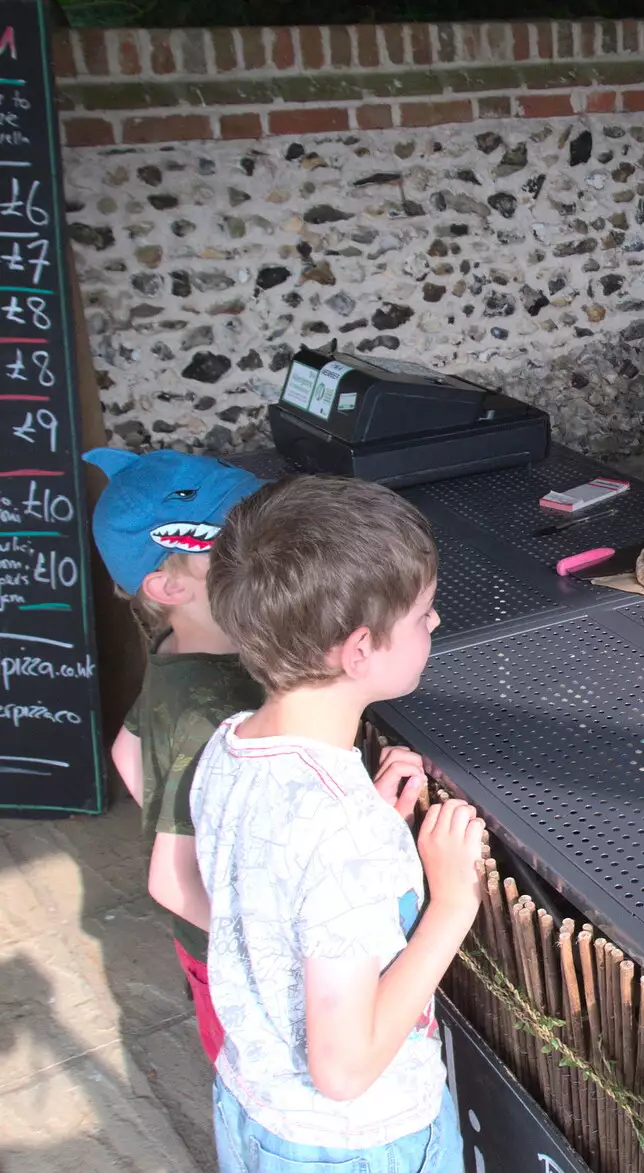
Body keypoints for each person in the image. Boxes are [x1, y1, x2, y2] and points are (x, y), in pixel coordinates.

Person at [192, 474, 483, 1173]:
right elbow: (345, 1069)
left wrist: (369, 835)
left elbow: (273, 890)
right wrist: (452, 904)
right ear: (358, 652)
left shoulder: (228, 744)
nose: (435, 623)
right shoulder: (343, 832)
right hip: (356, 1143)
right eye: (423, 614)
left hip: (253, 1107)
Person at [90, 446, 266, 1065]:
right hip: (228, 949)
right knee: (253, 1089)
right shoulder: (219, 706)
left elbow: (125, 748)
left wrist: (173, 808)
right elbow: (171, 880)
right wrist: (258, 951)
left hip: (207, 938)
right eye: (241, 546)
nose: (267, 556)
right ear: (169, 586)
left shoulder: (177, 651)